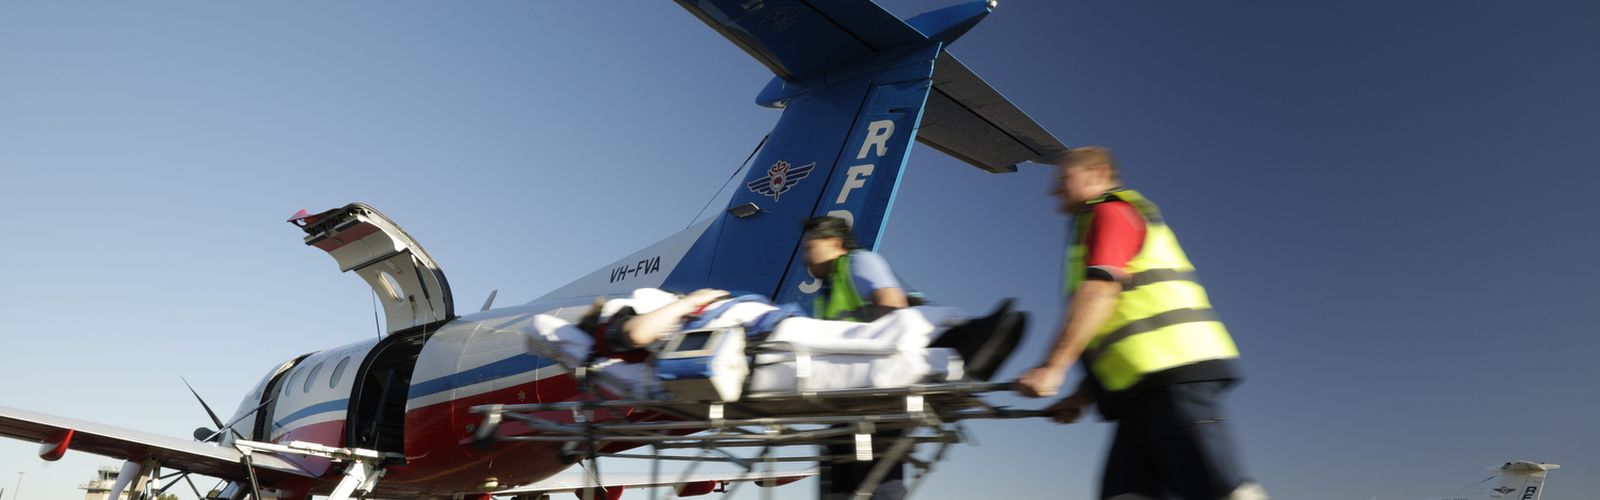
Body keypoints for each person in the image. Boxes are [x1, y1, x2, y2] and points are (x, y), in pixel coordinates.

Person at [1017, 147, 1267, 500]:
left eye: (1063, 179)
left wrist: (1052, 367)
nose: (1054, 190)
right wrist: (1082, 396)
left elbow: (1101, 292)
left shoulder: (1112, 213)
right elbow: (1114, 327)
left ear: (1097, 174)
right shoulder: (1090, 224)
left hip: (1175, 376)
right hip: (1138, 392)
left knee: (1218, 492)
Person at [802, 216, 909, 322]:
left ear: (835, 245)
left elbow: (895, 311)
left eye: (809, 248)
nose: (805, 258)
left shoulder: (859, 261)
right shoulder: (825, 296)